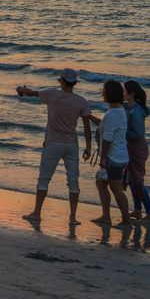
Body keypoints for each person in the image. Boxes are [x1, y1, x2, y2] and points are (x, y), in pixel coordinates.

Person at [15, 70, 94, 223]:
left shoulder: (52, 94)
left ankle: (37, 212)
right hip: (71, 144)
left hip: (53, 143)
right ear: (75, 83)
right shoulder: (81, 101)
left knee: (44, 178)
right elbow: (87, 127)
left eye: (60, 80)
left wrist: (20, 89)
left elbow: (30, 92)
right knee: (73, 181)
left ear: (62, 82)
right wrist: (88, 147)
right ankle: (73, 217)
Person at [92, 79, 133, 228]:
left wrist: (102, 159)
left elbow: (108, 138)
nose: (102, 93)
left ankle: (127, 221)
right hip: (119, 156)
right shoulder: (119, 111)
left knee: (116, 190)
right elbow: (105, 127)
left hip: (113, 158)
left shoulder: (112, 114)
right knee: (101, 183)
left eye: (103, 90)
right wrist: (88, 116)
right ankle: (106, 216)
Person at [123, 80, 150, 224]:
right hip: (130, 148)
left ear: (132, 94)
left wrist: (122, 132)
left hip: (137, 148)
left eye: (124, 91)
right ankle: (137, 210)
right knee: (131, 179)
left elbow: (137, 134)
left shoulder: (135, 112)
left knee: (138, 181)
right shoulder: (128, 107)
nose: (122, 93)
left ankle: (149, 214)